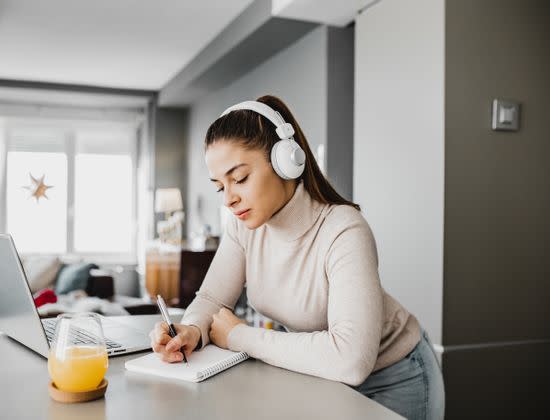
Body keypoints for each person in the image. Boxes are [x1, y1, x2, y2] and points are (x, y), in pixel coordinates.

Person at [149, 95, 445, 419]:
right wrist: (190, 331)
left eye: (241, 179)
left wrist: (239, 335)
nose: (229, 199)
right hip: (322, 376)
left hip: (395, 377)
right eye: (221, 187)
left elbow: (351, 359)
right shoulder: (244, 227)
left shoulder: (344, 230)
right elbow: (210, 298)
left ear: (285, 161)